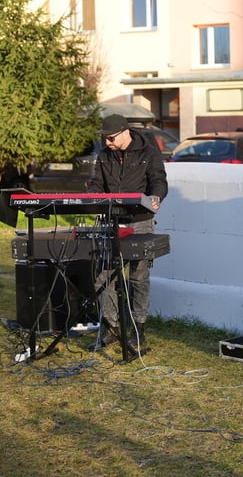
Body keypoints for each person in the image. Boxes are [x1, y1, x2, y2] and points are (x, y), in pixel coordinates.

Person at [89, 114, 168, 353]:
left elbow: (159, 181)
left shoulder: (149, 152)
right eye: (104, 138)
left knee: (138, 277)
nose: (107, 143)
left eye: (111, 138)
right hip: (111, 222)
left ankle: (138, 328)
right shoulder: (104, 155)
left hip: (140, 222)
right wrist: (93, 197)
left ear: (125, 133)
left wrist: (156, 197)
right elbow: (97, 184)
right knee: (104, 276)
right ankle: (110, 327)